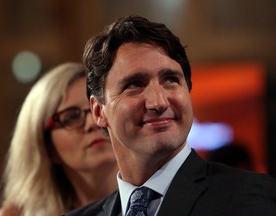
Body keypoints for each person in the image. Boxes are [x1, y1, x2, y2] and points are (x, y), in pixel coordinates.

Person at [67, 15, 276, 216]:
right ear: (98, 111)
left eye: (171, 80)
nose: (158, 102)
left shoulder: (247, 196)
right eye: (135, 84)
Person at [0, 63, 118, 216]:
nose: (93, 122)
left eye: (99, 109)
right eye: (72, 117)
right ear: (46, 146)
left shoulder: (153, 199)